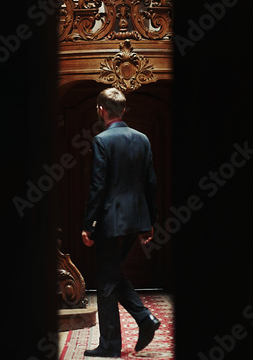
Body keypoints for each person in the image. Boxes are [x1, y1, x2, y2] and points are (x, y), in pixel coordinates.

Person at [81, 87, 161, 357]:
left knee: (106, 282)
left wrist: (89, 224)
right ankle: (143, 319)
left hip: (110, 222)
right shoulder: (143, 139)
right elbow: (151, 184)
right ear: (123, 110)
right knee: (111, 275)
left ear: (101, 110)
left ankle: (110, 345)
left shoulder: (102, 141)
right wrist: (150, 221)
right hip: (136, 220)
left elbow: (98, 186)